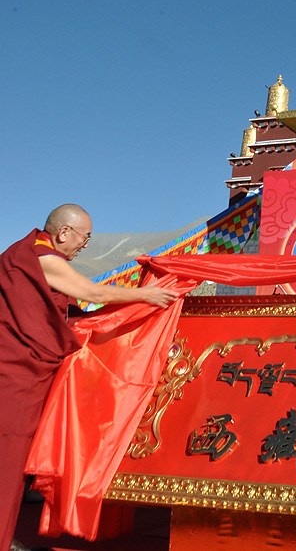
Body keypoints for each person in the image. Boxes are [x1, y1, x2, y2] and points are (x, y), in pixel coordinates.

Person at [0, 204, 177, 551]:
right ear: (64, 232)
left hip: (20, 374)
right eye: (85, 237)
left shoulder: (23, 254)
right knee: (6, 469)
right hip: (16, 380)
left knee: (11, 468)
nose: (85, 245)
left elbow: (61, 310)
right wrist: (146, 295)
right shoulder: (41, 259)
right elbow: (93, 293)